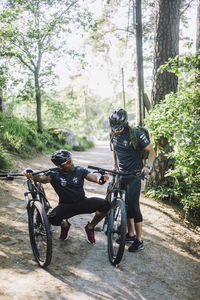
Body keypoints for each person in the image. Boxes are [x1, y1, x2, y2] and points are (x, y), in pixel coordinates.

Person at [23, 149, 110, 244]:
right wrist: (30, 174)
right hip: (65, 206)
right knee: (51, 219)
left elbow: (95, 179)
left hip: (82, 203)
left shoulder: (80, 170)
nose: (71, 163)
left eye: (71, 160)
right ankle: (65, 225)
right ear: (60, 166)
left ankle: (90, 227)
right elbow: (41, 178)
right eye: (68, 162)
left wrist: (101, 179)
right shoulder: (54, 174)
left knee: (105, 204)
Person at [109, 108, 155, 252]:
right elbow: (115, 149)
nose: (116, 131)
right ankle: (130, 234)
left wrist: (148, 166)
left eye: (119, 128)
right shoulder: (113, 133)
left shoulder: (136, 134)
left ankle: (139, 240)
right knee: (125, 205)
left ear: (125, 123)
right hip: (121, 174)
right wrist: (115, 165)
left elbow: (151, 151)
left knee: (134, 206)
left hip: (134, 175)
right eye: (114, 128)